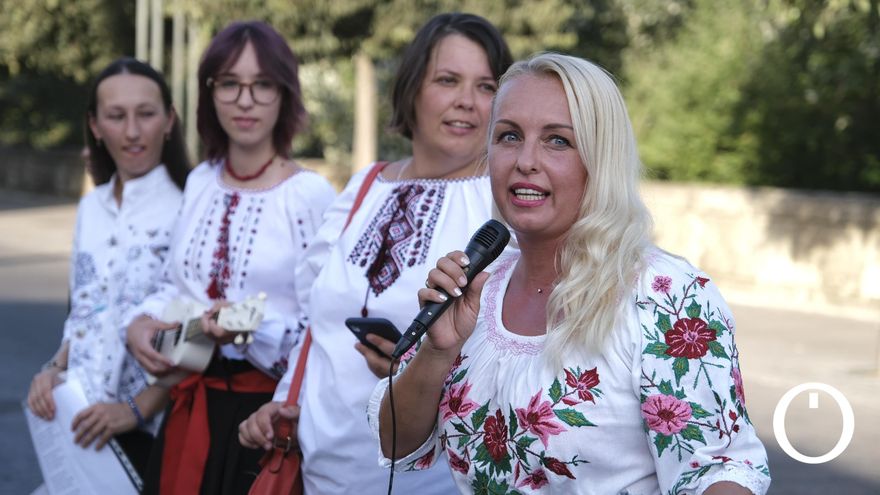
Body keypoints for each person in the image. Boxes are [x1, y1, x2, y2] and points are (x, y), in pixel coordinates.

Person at [370, 53, 772, 494]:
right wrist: (436, 352)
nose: (526, 160)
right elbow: (396, 444)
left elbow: (720, 472)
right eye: (509, 136)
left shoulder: (666, 296)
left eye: (558, 141)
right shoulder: (477, 288)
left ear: (600, 158)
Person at [238, 12, 513, 494]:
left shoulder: (503, 204)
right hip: (321, 470)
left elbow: (519, 356)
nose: (467, 101)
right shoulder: (365, 185)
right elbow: (316, 321)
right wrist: (286, 401)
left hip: (430, 481)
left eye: (486, 86)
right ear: (411, 89)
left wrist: (421, 372)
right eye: (447, 80)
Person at [124, 21, 336, 495]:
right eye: (230, 84)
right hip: (188, 406)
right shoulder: (201, 180)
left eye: (262, 84)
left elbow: (324, 326)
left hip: (263, 421)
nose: (245, 100)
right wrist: (140, 321)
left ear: (284, 94)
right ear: (210, 92)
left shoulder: (308, 195)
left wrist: (248, 326)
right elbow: (176, 286)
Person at [26, 57, 190, 479]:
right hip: (79, 424)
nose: (132, 131)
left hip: (155, 435)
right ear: (95, 126)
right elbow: (84, 309)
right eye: (116, 116)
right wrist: (53, 369)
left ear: (169, 121)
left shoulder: (191, 206)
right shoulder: (90, 208)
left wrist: (136, 409)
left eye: (146, 114)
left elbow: (197, 329)